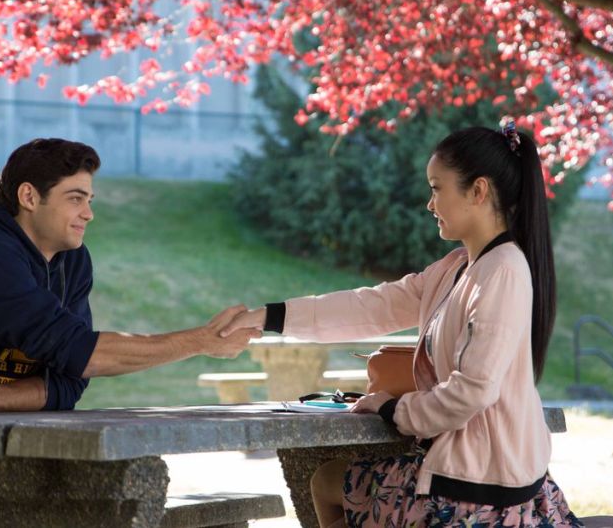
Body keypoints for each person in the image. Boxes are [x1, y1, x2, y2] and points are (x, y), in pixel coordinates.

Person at [0, 138, 260, 528]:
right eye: (75, 198)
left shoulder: (73, 262)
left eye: (89, 200)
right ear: (29, 197)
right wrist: (199, 341)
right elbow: (83, 353)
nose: (88, 213)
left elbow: (68, 382)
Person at [222, 122, 583, 527]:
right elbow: (371, 307)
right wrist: (270, 316)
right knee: (327, 479)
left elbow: (471, 392)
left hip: (480, 493)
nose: (430, 204)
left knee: (326, 481)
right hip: (472, 474)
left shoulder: (502, 271)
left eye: (436, 188)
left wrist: (395, 408)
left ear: (478, 191)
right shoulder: (458, 268)